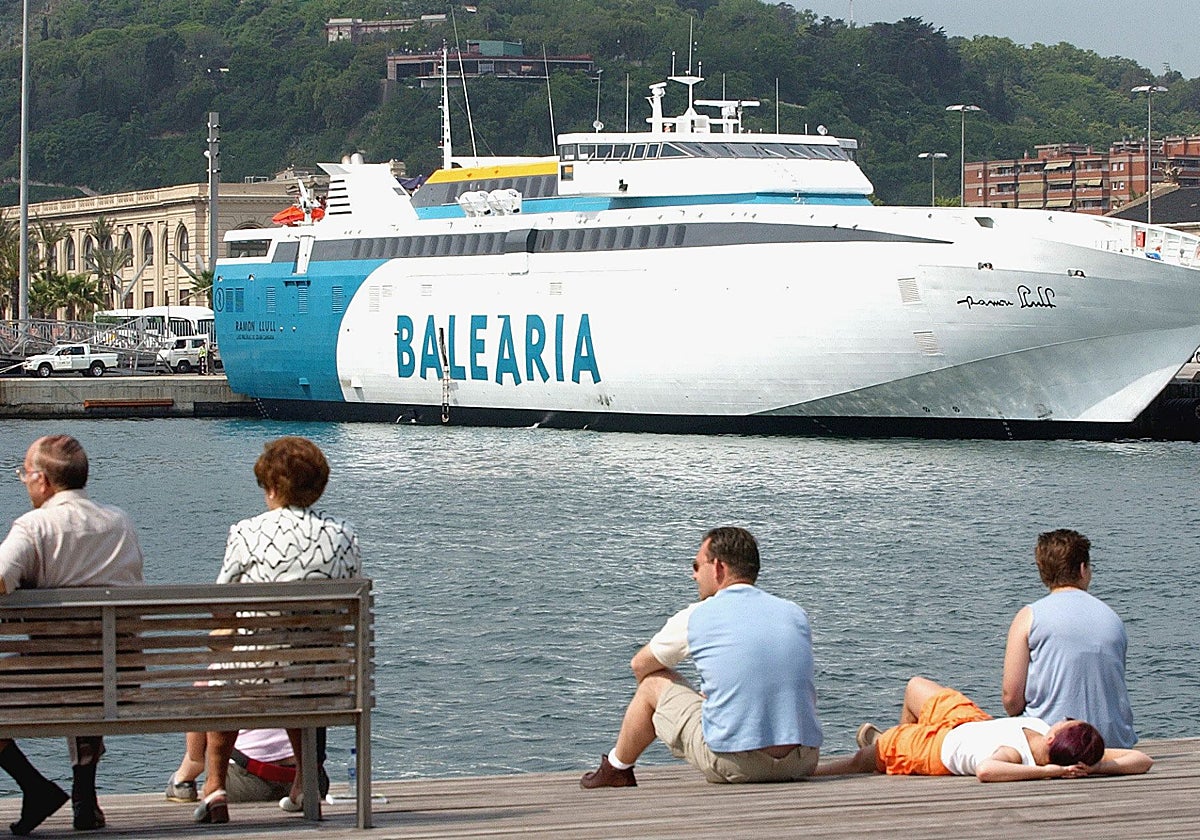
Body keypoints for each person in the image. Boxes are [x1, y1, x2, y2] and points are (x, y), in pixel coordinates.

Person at [191, 436, 360, 825]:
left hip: (259, 671)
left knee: (230, 671)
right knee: (296, 666)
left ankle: (214, 786)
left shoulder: (246, 533)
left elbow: (222, 605)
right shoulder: (344, 535)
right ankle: (304, 782)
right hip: (326, 674)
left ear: (270, 487)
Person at [580, 526, 822, 788]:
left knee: (652, 683)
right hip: (802, 761)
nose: (693, 575)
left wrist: (679, 712)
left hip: (735, 764)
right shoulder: (793, 613)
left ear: (718, 567)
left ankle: (616, 768)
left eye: (696, 566)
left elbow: (640, 665)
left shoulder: (699, 614)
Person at [0, 435, 144, 834]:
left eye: (24, 474)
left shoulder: (35, 526)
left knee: (67, 665)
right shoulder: (119, 521)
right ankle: (84, 797)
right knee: (90, 664)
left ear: (42, 480)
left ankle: (33, 786)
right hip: (121, 675)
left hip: (56, 676)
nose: (24, 481)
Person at [814, 676, 1152, 782]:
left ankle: (882, 752)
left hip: (940, 750)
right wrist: (1092, 767)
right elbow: (1142, 759)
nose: (1063, 718)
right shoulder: (1047, 735)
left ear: (1053, 737)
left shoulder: (1015, 756)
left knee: (860, 761)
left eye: (1068, 720)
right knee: (916, 686)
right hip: (972, 723)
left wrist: (1048, 771)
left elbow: (986, 770)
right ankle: (893, 743)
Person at [1002, 529, 1137, 747]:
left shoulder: (1029, 617)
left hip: (1054, 742)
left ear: (1043, 571)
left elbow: (1011, 698)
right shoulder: (1112, 618)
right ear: (1083, 569)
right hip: (1111, 743)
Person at [166, 729, 330, 804]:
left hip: (246, 784)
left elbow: (201, 695)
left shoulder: (233, 669)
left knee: (209, 703)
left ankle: (186, 779)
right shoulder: (308, 671)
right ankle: (301, 788)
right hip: (312, 781)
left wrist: (195, 760)